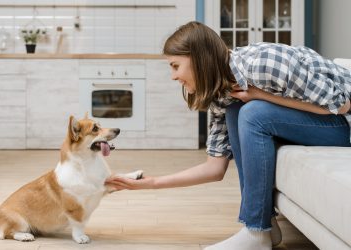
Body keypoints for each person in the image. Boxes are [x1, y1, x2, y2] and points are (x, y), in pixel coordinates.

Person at [105, 21, 351, 250]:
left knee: (252, 111)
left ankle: (256, 232)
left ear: (199, 59)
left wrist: (259, 95)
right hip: (321, 120)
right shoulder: (224, 91)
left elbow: (340, 106)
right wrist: (151, 183)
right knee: (238, 108)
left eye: (175, 66)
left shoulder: (263, 64)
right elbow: (215, 168)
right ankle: (265, 226)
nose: (173, 76)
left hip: (344, 124)